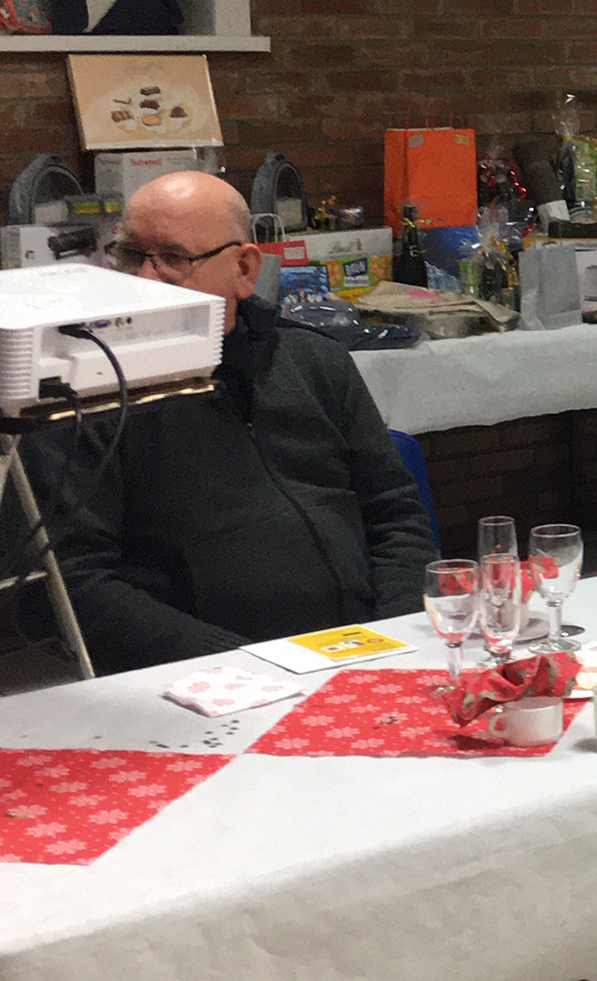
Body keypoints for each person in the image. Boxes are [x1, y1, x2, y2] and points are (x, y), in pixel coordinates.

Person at [20, 171, 438, 674]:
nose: (145, 279)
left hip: (367, 651)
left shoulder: (314, 362)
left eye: (174, 258)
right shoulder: (83, 397)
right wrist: (241, 666)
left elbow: (395, 514)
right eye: (130, 256)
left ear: (244, 268)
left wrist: (395, 634)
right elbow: (70, 581)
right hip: (205, 676)